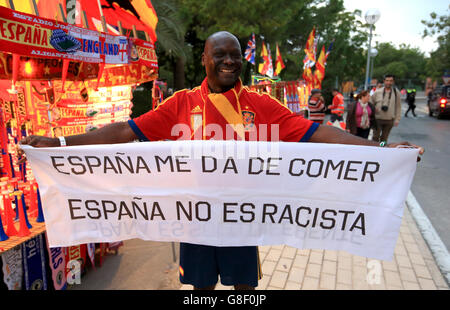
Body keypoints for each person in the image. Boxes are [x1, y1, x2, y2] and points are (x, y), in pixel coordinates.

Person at [19, 31, 424, 290]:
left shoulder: (261, 106)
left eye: (235, 55)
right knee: (200, 293)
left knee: (244, 294)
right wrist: (61, 142)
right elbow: (126, 132)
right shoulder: (181, 104)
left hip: (243, 220)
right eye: (221, 55)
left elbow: (318, 134)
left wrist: (382, 151)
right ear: (206, 60)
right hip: (194, 222)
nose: (229, 61)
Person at [370, 74, 401, 143]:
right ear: (384, 81)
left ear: (393, 82)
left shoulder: (396, 93)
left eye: (391, 81)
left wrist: (397, 119)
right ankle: (374, 150)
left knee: (384, 138)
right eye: (387, 80)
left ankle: (382, 150)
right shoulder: (378, 92)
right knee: (375, 136)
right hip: (378, 118)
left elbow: (398, 106)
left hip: (389, 120)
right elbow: (370, 103)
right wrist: (374, 109)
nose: (388, 82)